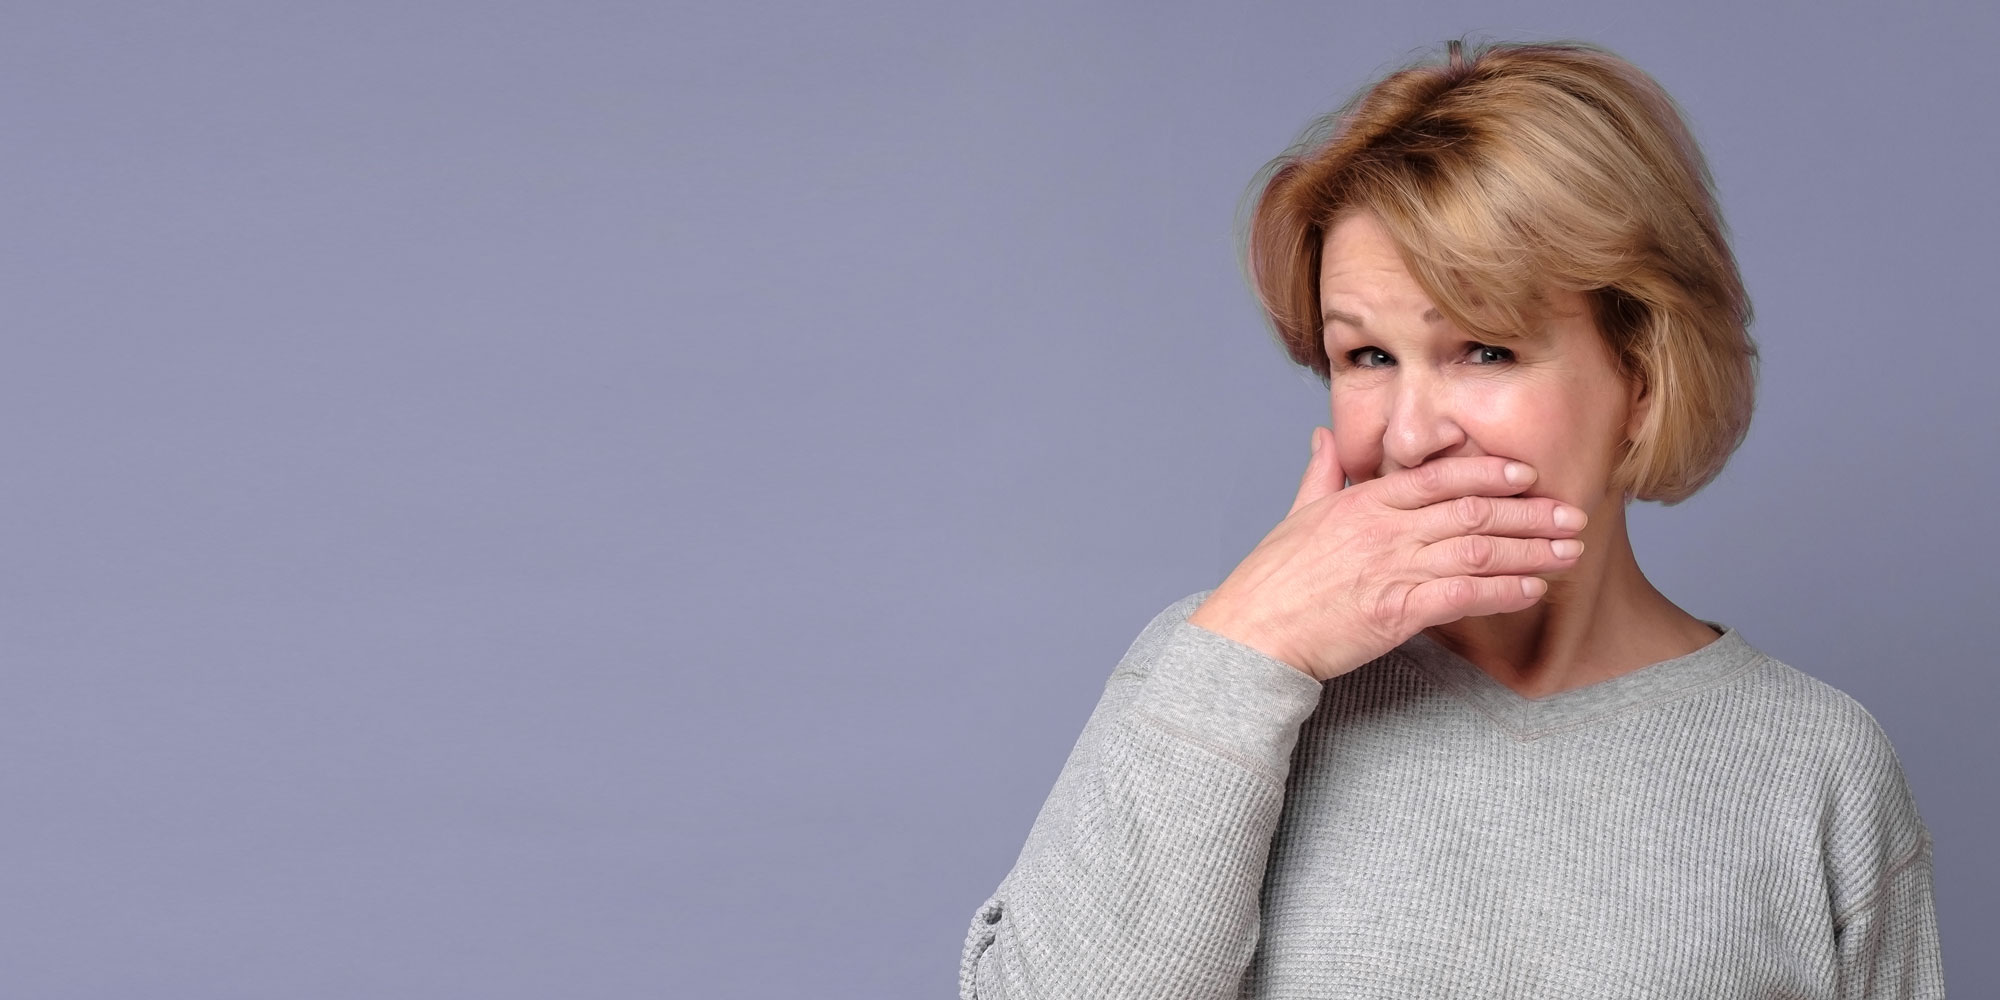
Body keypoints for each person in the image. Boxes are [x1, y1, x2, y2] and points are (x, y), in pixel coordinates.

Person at [958, 38, 1945, 999]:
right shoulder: (1209, 671)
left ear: (1639, 376)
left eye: (1482, 349)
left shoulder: (1809, 764)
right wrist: (1244, 650)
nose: (1409, 433)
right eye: (1365, 358)